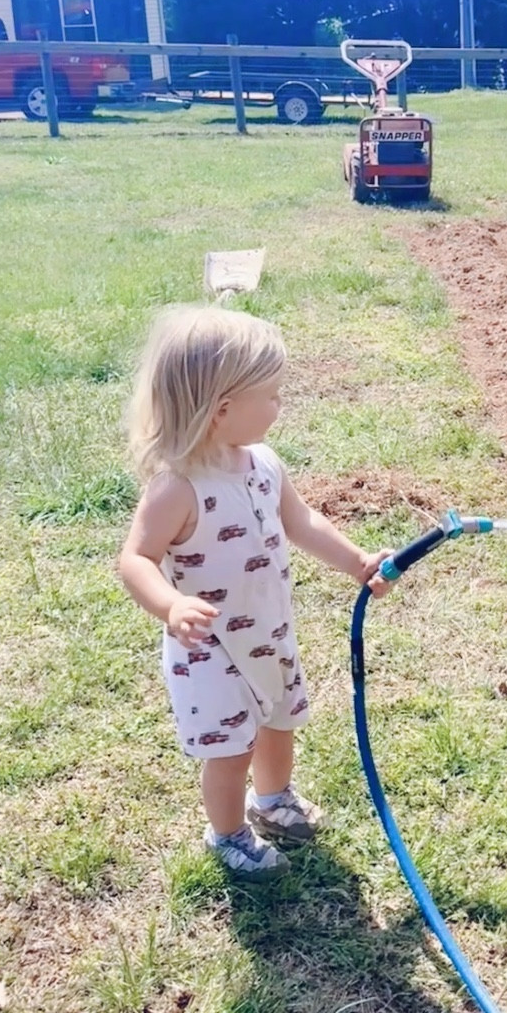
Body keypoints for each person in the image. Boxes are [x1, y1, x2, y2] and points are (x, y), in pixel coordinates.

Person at [118, 303, 391, 878]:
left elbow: (302, 522)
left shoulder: (263, 463)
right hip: (210, 647)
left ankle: (273, 801)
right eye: (269, 395)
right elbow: (136, 558)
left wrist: (357, 561)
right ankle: (228, 835)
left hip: (268, 630)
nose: (279, 404)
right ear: (221, 410)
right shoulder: (177, 487)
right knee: (230, 749)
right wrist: (170, 605)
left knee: (279, 720)